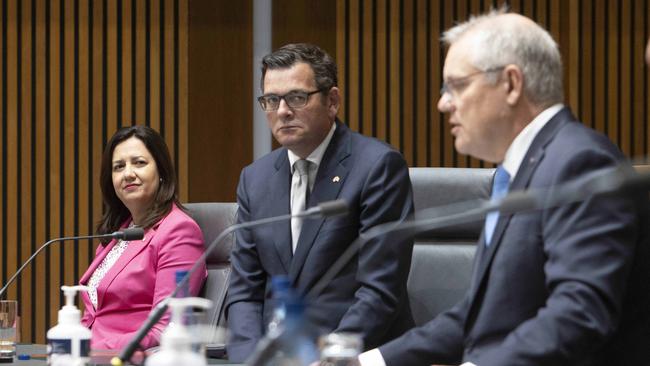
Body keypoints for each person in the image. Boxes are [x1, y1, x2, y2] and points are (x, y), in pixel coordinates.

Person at [360, 9, 650, 366]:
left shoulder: (578, 163)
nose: (443, 103)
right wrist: (365, 362)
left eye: (457, 85)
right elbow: (482, 313)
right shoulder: (522, 169)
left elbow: (578, 314)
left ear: (511, 84)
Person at [225, 43, 415, 362]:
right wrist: (248, 359)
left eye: (297, 97)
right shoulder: (254, 179)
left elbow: (379, 293)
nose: (282, 111)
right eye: (271, 100)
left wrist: (327, 359)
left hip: (351, 355)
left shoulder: (377, 166)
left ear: (332, 100)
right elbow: (245, 291)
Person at [79, 126, 207, 350]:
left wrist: (94, 346)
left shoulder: (179, 231)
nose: (128, 173)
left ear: (162, 172)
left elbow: (166, 328)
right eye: (119, 167)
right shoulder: (118, 233)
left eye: (139, 162)